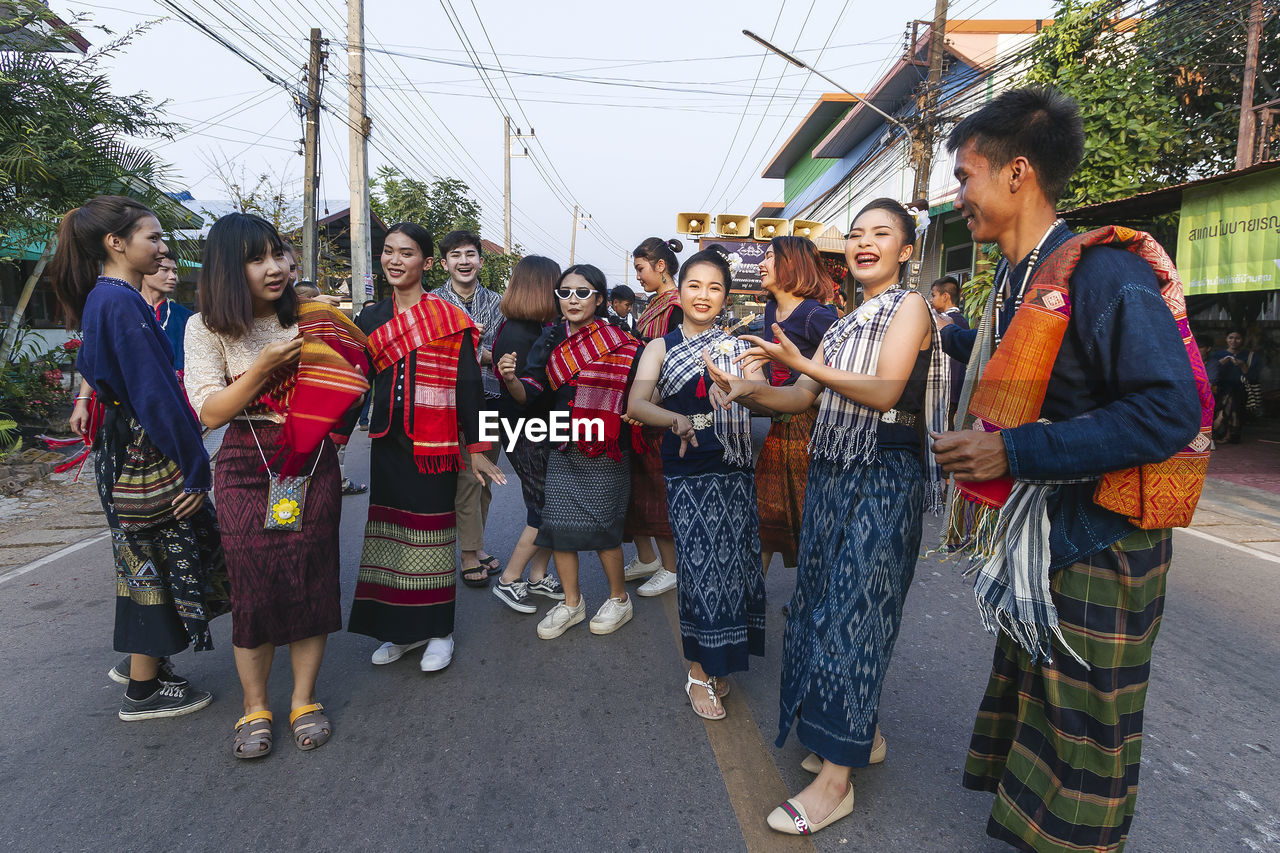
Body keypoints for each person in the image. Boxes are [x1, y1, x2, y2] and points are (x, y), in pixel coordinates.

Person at [932, 86, 1207, 853]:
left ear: (1017, 173)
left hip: (1105, 542)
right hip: (1049, 537)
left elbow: (1167, 411)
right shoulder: (1016, 283)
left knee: (1086, 729)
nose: (960, 199)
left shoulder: (1102, 274)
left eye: (965, 176)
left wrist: (1011, 450)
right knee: (1044, 714)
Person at [707, 197, 948, 836]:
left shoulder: (911, 307)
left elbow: (886, 390)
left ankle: (835, 784)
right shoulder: (845, 322)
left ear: (905, 251)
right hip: (835, 471)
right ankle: (856, 735)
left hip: (882, 475)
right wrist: (748, 390)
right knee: (817, 609)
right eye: (858, 233)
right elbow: (802, 396)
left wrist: (800, 363)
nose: (866, 242)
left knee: (854, 618)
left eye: (882, 234)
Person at [185, 212, 369, 758]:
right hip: (245, 460)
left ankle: (304, 700)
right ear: (225, 267)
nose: (275, 267)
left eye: (278, 253)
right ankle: (255, 705)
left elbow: (355, 379)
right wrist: (263, 367)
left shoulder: (316, 318)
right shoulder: (206, 328)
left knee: (312, 577)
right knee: (254, 585)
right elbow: (209, 411)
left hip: (311, 462)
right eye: (257, 258)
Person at [51, 195, 226, 722]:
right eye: (152, 237)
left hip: (123, 448)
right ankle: (144, 692)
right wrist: (195, 470)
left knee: (143, 561)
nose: (162, 247)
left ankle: (143, 669)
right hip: (144, 451)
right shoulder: (122, 303)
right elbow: (157, 398)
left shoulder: (105, 298)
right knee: (155, 562)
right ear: (116, 243)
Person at [346, 223, 505, 668]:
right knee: (391, 535)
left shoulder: (449, 319)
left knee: (432, 535)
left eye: (407, 253)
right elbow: (352, 385)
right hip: (387, 443)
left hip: (435, 445)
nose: (395, 261)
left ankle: (438, 630)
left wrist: (476, 447)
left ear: (426, 263)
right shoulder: (371, 318)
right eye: (389, 252)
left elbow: (470, 386)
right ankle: (401, 632)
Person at [626, 247, 765, 720]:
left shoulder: (740, 345)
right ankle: (697, 671)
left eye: (715, 287)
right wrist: (677, 420)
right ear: (679, 292)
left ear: (726, 297)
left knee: (734, 569)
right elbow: (637, 403)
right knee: (701, 569)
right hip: (688, 470)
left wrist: (749, 385)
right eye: (694, 286)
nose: (703, 295)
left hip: (736, 469)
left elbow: (761, 395)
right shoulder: (659, 347)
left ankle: (719, 657)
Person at [503, 264, 640, 639]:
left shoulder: (622, 339)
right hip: (562, 443)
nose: (573, 300)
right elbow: (529, 393)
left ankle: (618, 600)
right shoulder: (548, 339)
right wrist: (512, 380)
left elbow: (642, 389)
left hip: (607, 446)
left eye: (582, 293)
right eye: (565, 293)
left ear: (599, 298)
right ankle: (572, 603)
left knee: (603, 530)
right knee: (559, 528)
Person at [754, 235, 837, 575]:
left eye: (770, 256)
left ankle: (813, 592)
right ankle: (750, 595)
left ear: (791, 265)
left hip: (811, 427)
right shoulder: (772, 307)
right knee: (766, 511)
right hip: (780, 421)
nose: (761, 263)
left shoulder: (815, 315)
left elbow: (845, 362)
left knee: (809, 514)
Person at [490, 256, 566, 613]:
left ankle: (537, 575)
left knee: (552, 504)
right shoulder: (524, 332)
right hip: (527, 430)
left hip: (535, 427)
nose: (564, 293)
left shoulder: (532, 327)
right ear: (543, 287)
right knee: (544, 507)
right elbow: (528, 391)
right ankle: (510, 579)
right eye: (559, 286)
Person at [431, 230, 504, 586]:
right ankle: (468, 553)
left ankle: (477, 545)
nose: (464, 261)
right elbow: (437, 356)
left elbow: (503, 352)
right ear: (444, 263)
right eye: (456, 255)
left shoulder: (498, 302)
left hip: (490, 400)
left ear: (480, 260)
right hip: (450, 403)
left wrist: (485, 356)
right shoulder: (433, 303)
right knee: (466, 478)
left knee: (487, 476)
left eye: (470, 254)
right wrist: (484, 354)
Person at [624, 236, 684, 596]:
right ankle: (646, 557)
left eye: (641, 269)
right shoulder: (653, 305)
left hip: (659, 407)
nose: (639, 277)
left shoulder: (675, 307)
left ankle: (671, 566)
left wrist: (650, 404)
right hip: (641, 404)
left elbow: (672, 364)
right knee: (637, 486)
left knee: (657, 489)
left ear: (661, 266)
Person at [139, 252, 193, 373]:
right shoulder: (126, 311)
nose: (173, 277)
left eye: (175, 271)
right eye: (165, 270)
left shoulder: (187, 318)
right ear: (145, 271)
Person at [929, 275, 969, 428]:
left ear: (945, 296)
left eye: (933, 295)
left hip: (941, 390)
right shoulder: (964, 322)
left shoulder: (941, 322)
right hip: (957, 390)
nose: (931, 300)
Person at [1210, 330, 1259, 443]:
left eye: (1237, 338)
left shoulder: (1249, 356)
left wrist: (1242, 365)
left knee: (1235, 401)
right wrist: (1219, 364)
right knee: (1229, 401)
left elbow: (1252, 377)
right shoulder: (1217, 355)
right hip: (1221, 388)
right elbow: (1210, 374)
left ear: (1242, 340)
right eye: (1231, 337)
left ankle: (1225, 428)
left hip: (1241, 389)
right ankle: (1228, 431)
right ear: (1226, 339)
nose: (1234, 341)